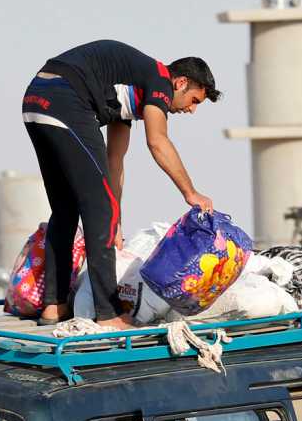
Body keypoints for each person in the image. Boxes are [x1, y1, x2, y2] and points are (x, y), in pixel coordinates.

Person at [23, 40, 219, 328]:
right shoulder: (159, 80)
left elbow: (114, 161)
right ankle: (109, 313)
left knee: (66, 209)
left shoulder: (126, 93)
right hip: (65, 99)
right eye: (194, 101)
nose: (191, 110)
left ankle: (54, 305)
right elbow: (158, 141)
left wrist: (114, 221)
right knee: (98, 211)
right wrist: (191, 193)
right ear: (180, 83)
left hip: (36, 100)